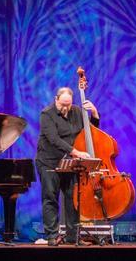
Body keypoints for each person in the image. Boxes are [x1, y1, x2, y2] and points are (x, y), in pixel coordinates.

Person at [35, 87, 99, 246]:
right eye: (63, 104)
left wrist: (95, 115)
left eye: (68, 105)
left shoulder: (76, 111)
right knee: (50, 198)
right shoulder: (46, 114)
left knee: (73, 199)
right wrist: (76, 152)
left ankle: (73, 237)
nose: (65, 108)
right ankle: (52, 236)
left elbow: (90, 132)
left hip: (70, 163)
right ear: (56, 99)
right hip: (49, 161)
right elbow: (54, 139)